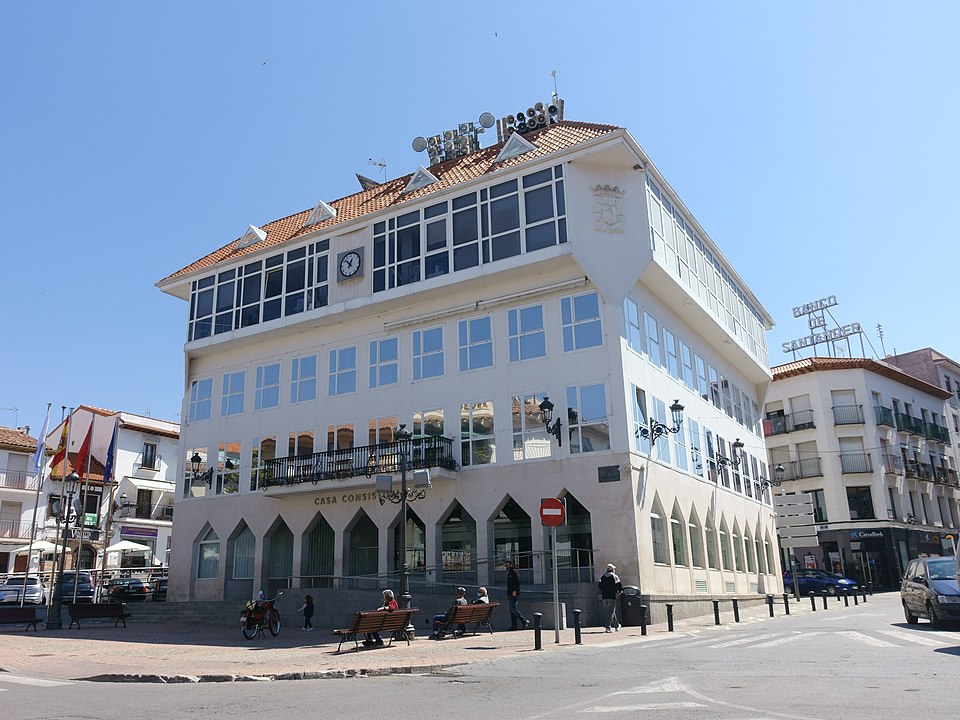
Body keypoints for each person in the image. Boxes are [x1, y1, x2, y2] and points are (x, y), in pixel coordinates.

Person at [504, 559, 529, 630]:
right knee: (512, 610)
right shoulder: (510, 573)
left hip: (514, 594)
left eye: (507, 565)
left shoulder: (514, 572)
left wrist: (514, 591)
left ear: (511, 565)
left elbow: (517, 583)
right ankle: (514, 625)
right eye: (505, 566)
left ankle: (524, 621)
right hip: (511, 594)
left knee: (513, 609)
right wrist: (508, 594)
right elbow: (509, 585)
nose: (506, 567)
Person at [598, 563, 623, 632]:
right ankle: (608, 627)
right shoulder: (614, 576)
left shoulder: (602, 577)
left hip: (604, 596)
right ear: (612, 569)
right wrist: (620, 591)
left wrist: (604, 591)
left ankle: (617, 625)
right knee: (611, 611)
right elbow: (619, 585)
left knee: (610, 611)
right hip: (612, 596)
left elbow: (599, 586)